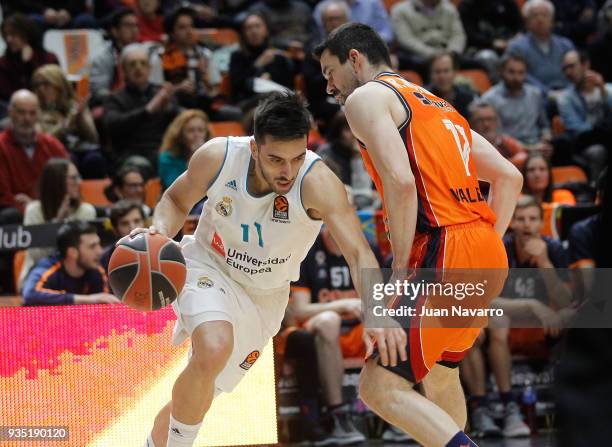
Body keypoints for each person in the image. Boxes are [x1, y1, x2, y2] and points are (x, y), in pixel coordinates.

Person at [131, 92, 381, 447]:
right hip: (209, 264)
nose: (287, 171)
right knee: (214, 346)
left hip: (265, 296)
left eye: (296, 158)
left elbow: (358, 253)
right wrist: (158, 231)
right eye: (276, 159)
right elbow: (174, 199)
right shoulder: (218, 157)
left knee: (199, 392)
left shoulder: (320, 183)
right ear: (253, 147)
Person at [315, 23, 523, 447]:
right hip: (482, 247)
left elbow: (402, 182)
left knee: (377, 386)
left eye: (329, 70)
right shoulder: (438, 105)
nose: (329, 84)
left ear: (355, 58)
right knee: (442, 377)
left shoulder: (366, 97)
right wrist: (484, 248)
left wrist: (398, 272)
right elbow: (509, 176)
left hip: (443, 250)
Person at [461, 195, 571, 439]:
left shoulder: (552, 249)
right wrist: (531, 305)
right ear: (511, 224)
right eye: (520, 219)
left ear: (542, 223)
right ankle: (493, 408)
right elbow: (482, 299)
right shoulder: (499, 249)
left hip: (541, 328)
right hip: (504, 324)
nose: (527, 225)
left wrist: (544, 263)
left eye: (533, 219)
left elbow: (565, 301)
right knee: (484, 324)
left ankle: (572, 406)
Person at [18, 158, 96, 289]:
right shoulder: (34, 210)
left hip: (77, 276)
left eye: (79, 177)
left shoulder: (86, 211)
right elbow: (38, 255)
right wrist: (57, 222)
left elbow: (87, 253)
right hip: (41, 276)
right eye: (73, 178)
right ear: (57, 182)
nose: (79, 182)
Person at [104, 43, 181, 171]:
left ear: (150, 68)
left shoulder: (162, 93)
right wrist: (147, 111)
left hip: (162, 151)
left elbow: (180, 123)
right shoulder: (115, 98)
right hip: (132, 154)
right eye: (132, 64)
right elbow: (112, 125)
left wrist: (170, 109)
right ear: (124, 70)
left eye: (143, 63)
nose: (138, 68)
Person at [0, 90, 68, 222]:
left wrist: (34, 205)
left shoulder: (52, 145)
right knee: (9, 215)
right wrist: (30, 209)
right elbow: (3, 197)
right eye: (21, 112)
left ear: (38, 115)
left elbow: (67, 184)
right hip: (17, 215)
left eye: (32, 113)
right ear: (10, 113)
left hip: (54, 211)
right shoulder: (1, 146)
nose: (27, 119)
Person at [22, 220, 120, 306]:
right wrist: (89, 299)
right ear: (72, 252)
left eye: (99, 244)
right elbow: (30, 294)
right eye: (92, 246)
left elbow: (104, 303)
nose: (100, 251)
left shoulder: (97, 271)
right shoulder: (48, 267)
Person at [32, 64, 105, 178]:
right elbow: (44, 140)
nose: (41, 89)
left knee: (94, 160)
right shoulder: (35, 109)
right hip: (55, 153)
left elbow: (93, 138)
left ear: (59, 85)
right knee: (67, 161)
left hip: (81, 149)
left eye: (46, 84)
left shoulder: (75, 104)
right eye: (37, 85)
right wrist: (66, 125)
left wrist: (80, 118)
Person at [482, 54, 552, 153]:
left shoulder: (535, 94)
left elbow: (544, 125)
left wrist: (546, 137)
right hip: (508, 151)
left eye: (521, 73)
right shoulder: (490, 99)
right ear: (501, 72)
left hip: (537, 146)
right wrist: (526, 148)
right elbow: (495, 135)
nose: (516, 77)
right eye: (511, 72)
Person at [558, 50, 610, 181]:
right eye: (564, 69)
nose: (568, 72)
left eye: (571, 66)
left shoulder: (608, 89)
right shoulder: (565, 98)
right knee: (597, 151)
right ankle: (597, 192)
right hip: (584, 143)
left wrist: (604, 93)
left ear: (585, 64)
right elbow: (577, 129)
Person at [229, 12, 295, 109]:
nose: (254, 31)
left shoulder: (277, 56)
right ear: (244, 33)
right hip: (247, 102)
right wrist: (257, 65)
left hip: (277, 101)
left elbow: (287, 84)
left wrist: (271, 79)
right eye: (249, 28)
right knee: (273, 97)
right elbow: (237, 87)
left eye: (257, 26)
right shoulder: (237, 56)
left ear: (266, 30)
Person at [505, 0, 574, 93]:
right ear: (526, 22)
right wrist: (548, 93)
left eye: (545, 15)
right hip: (534, 97)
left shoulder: (565, 45)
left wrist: (568, 94)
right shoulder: (517, 47)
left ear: (552, 21)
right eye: (534, 15)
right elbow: (520, 76)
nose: (540, 20)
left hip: (567, 95)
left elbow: (575, 72)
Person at [0, 13, 59, 107]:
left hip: (47, 106)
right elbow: (7, 95)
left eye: (13, 34)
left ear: (26, 34)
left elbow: (53, 90)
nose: (8, 40)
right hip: (15, 109)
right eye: (6, 35)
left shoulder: (49, 59)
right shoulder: (3, 63)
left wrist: (30, 64)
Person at [90, 7, 141, 107]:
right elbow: (99, 92)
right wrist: (122, 99)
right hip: (113, 105)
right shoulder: (102, 57)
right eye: (128, 25)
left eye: (136, 25)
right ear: (115, 31)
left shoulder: (145, 53)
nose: (134, 30)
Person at [159, 109, 214, 190]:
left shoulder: (214, 156)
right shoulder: (167, 158)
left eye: (201, 130)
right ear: (180, 135)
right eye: (191, 130)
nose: (197, 135)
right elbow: (175, 188)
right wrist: (195, 156)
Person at [468, 100, 528, 170]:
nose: (486, 124)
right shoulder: (468, 146)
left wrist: (502, 166)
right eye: (480, 120)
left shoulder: (504, 141)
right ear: (471, 123)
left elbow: (522, 155)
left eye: (490, 119)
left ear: (496, 121)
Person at [100, 200, 146, 271]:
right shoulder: (105, 258)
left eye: (137, 221)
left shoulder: (159, 249)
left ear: (145, 223)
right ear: (115, 230)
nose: (132, 228)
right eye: (124, 223)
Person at [427, 52, 476, 118]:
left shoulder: (467, 98)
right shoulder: (424, 97)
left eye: (446, 71)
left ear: (455, 72)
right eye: (437, 72)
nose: (442, 76)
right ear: (431, 74)